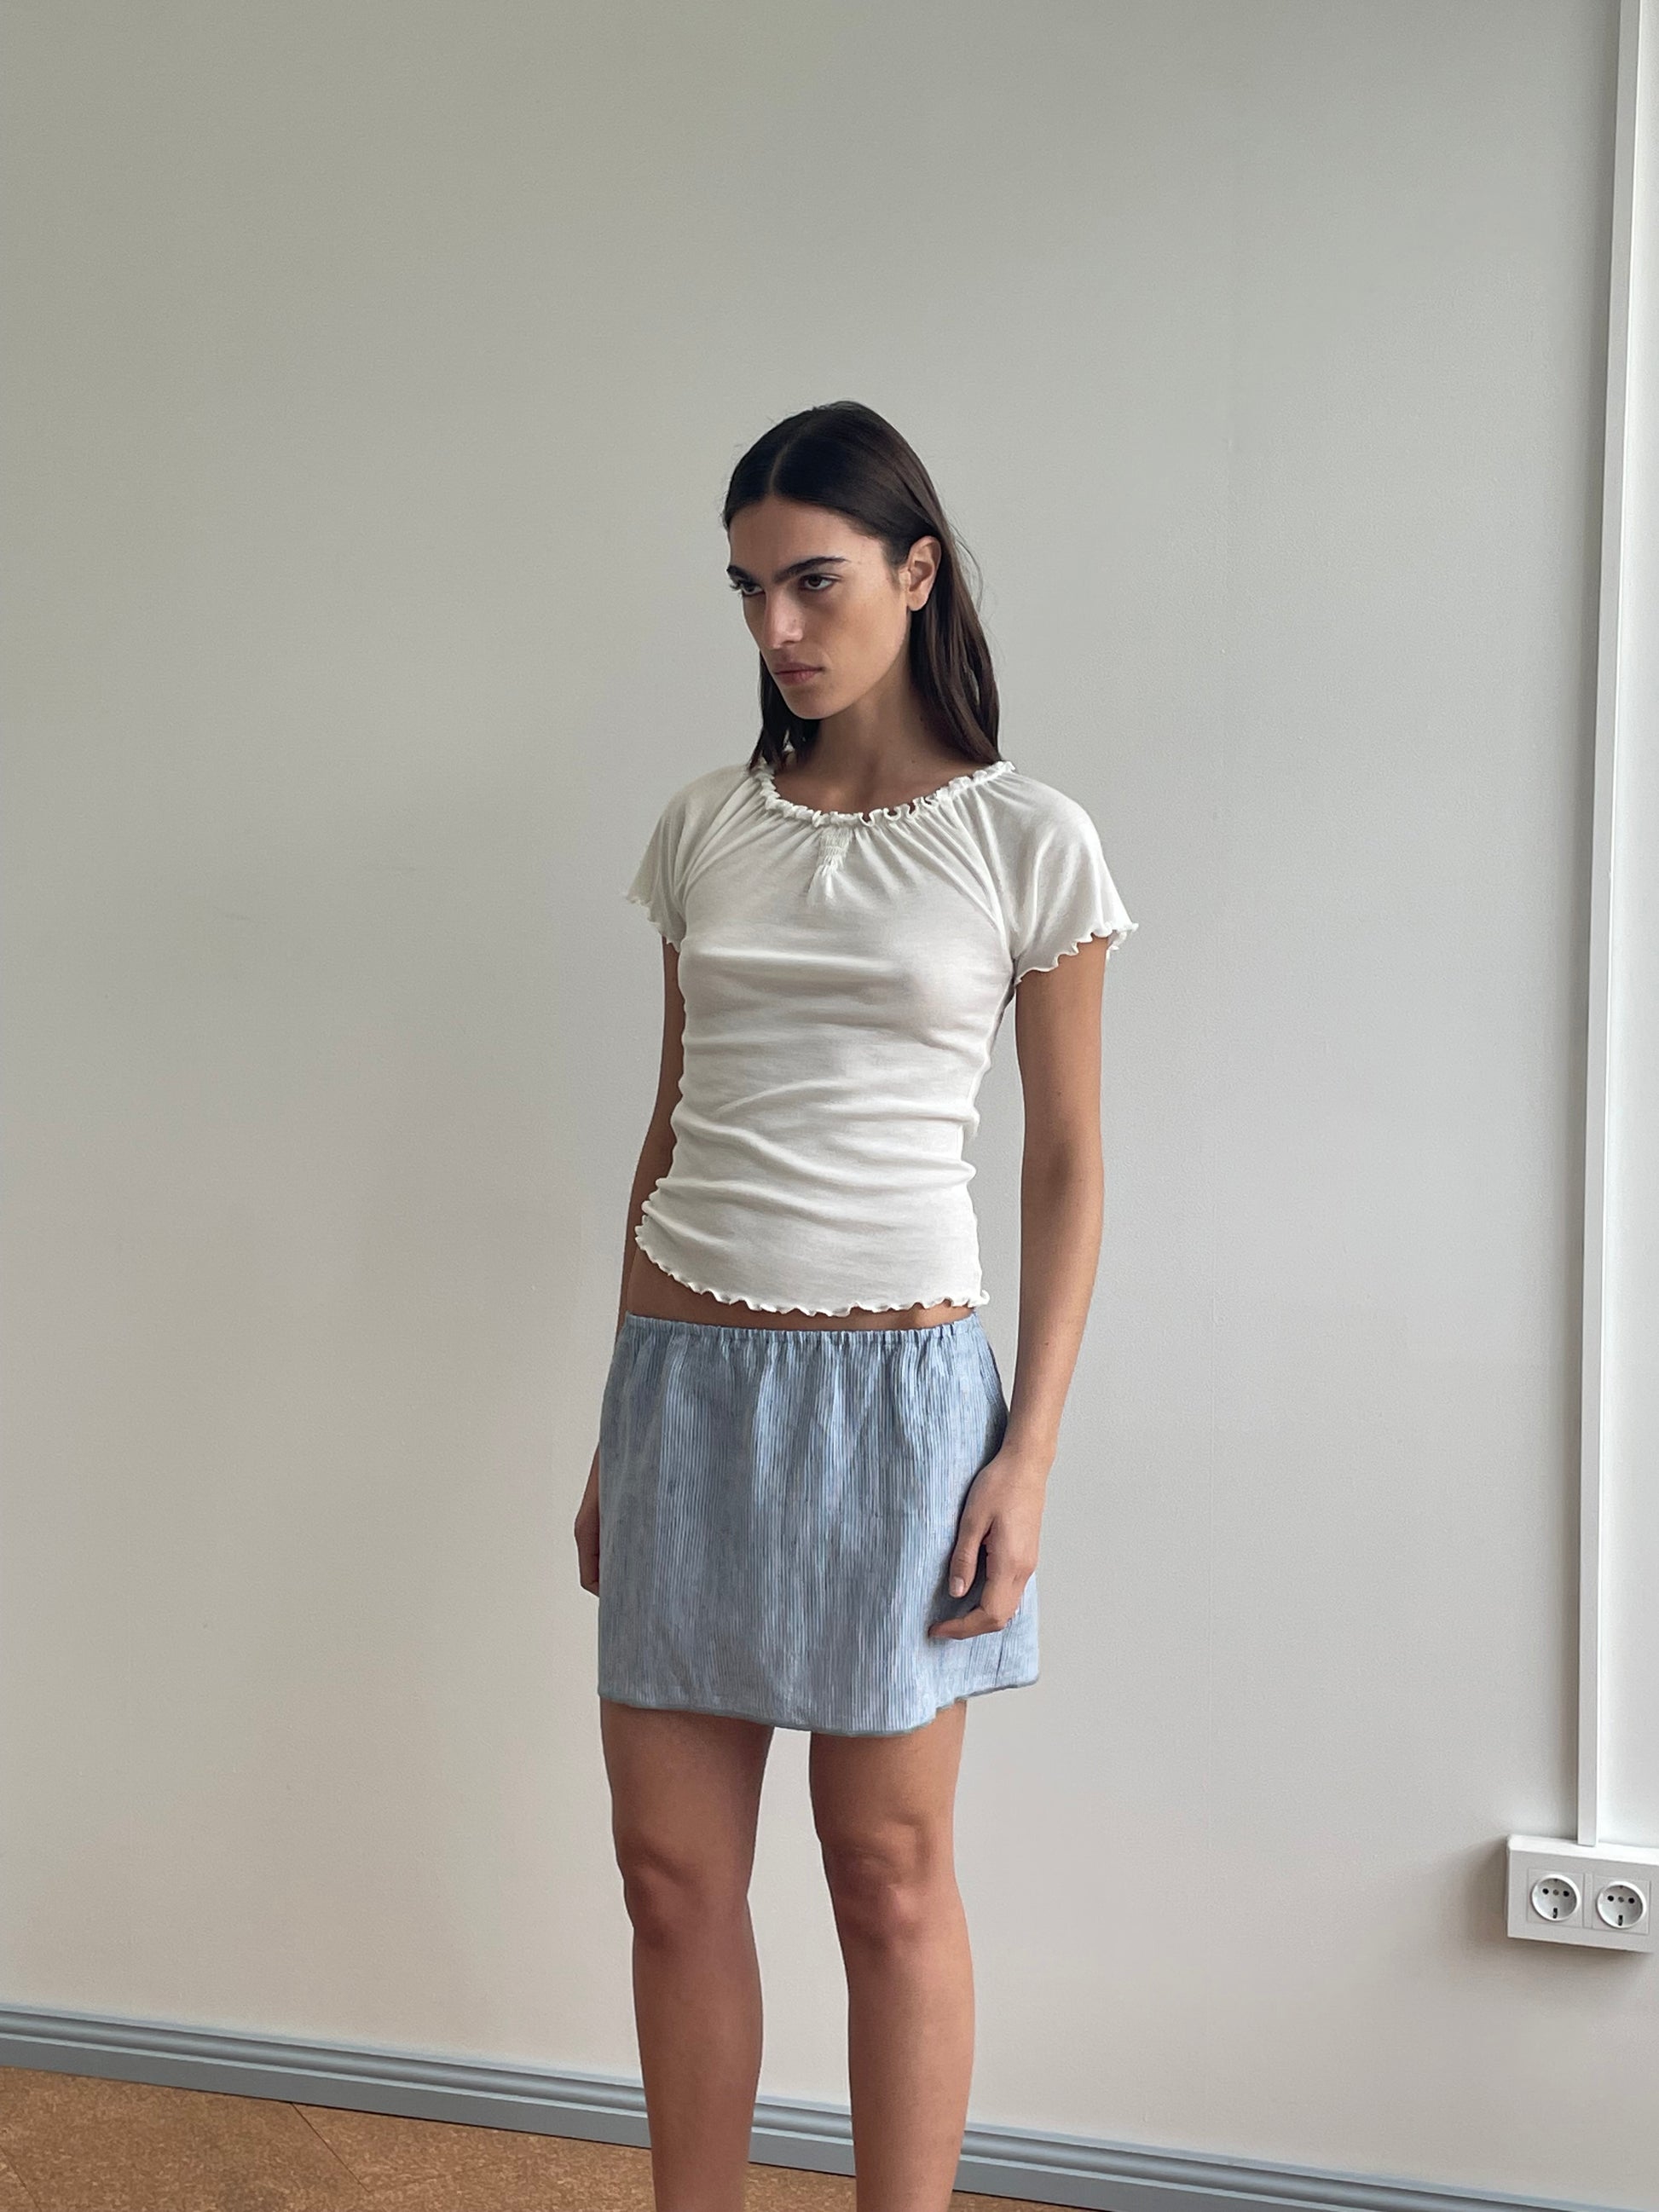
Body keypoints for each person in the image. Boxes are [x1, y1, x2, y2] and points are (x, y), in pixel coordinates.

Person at [573, 399, 1137, 2212]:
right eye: (747, 591)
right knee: (669, 1877)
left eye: (812, 581)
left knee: (884, 1878)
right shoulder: (704, 826)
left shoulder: (1027, 839)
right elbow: (673, 1120)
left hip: (899, 1404)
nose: (776, 629)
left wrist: (1026, 1455)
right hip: (683, 1381)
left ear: (916, 571)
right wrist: (613, 1423)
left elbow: (1067, 1166)